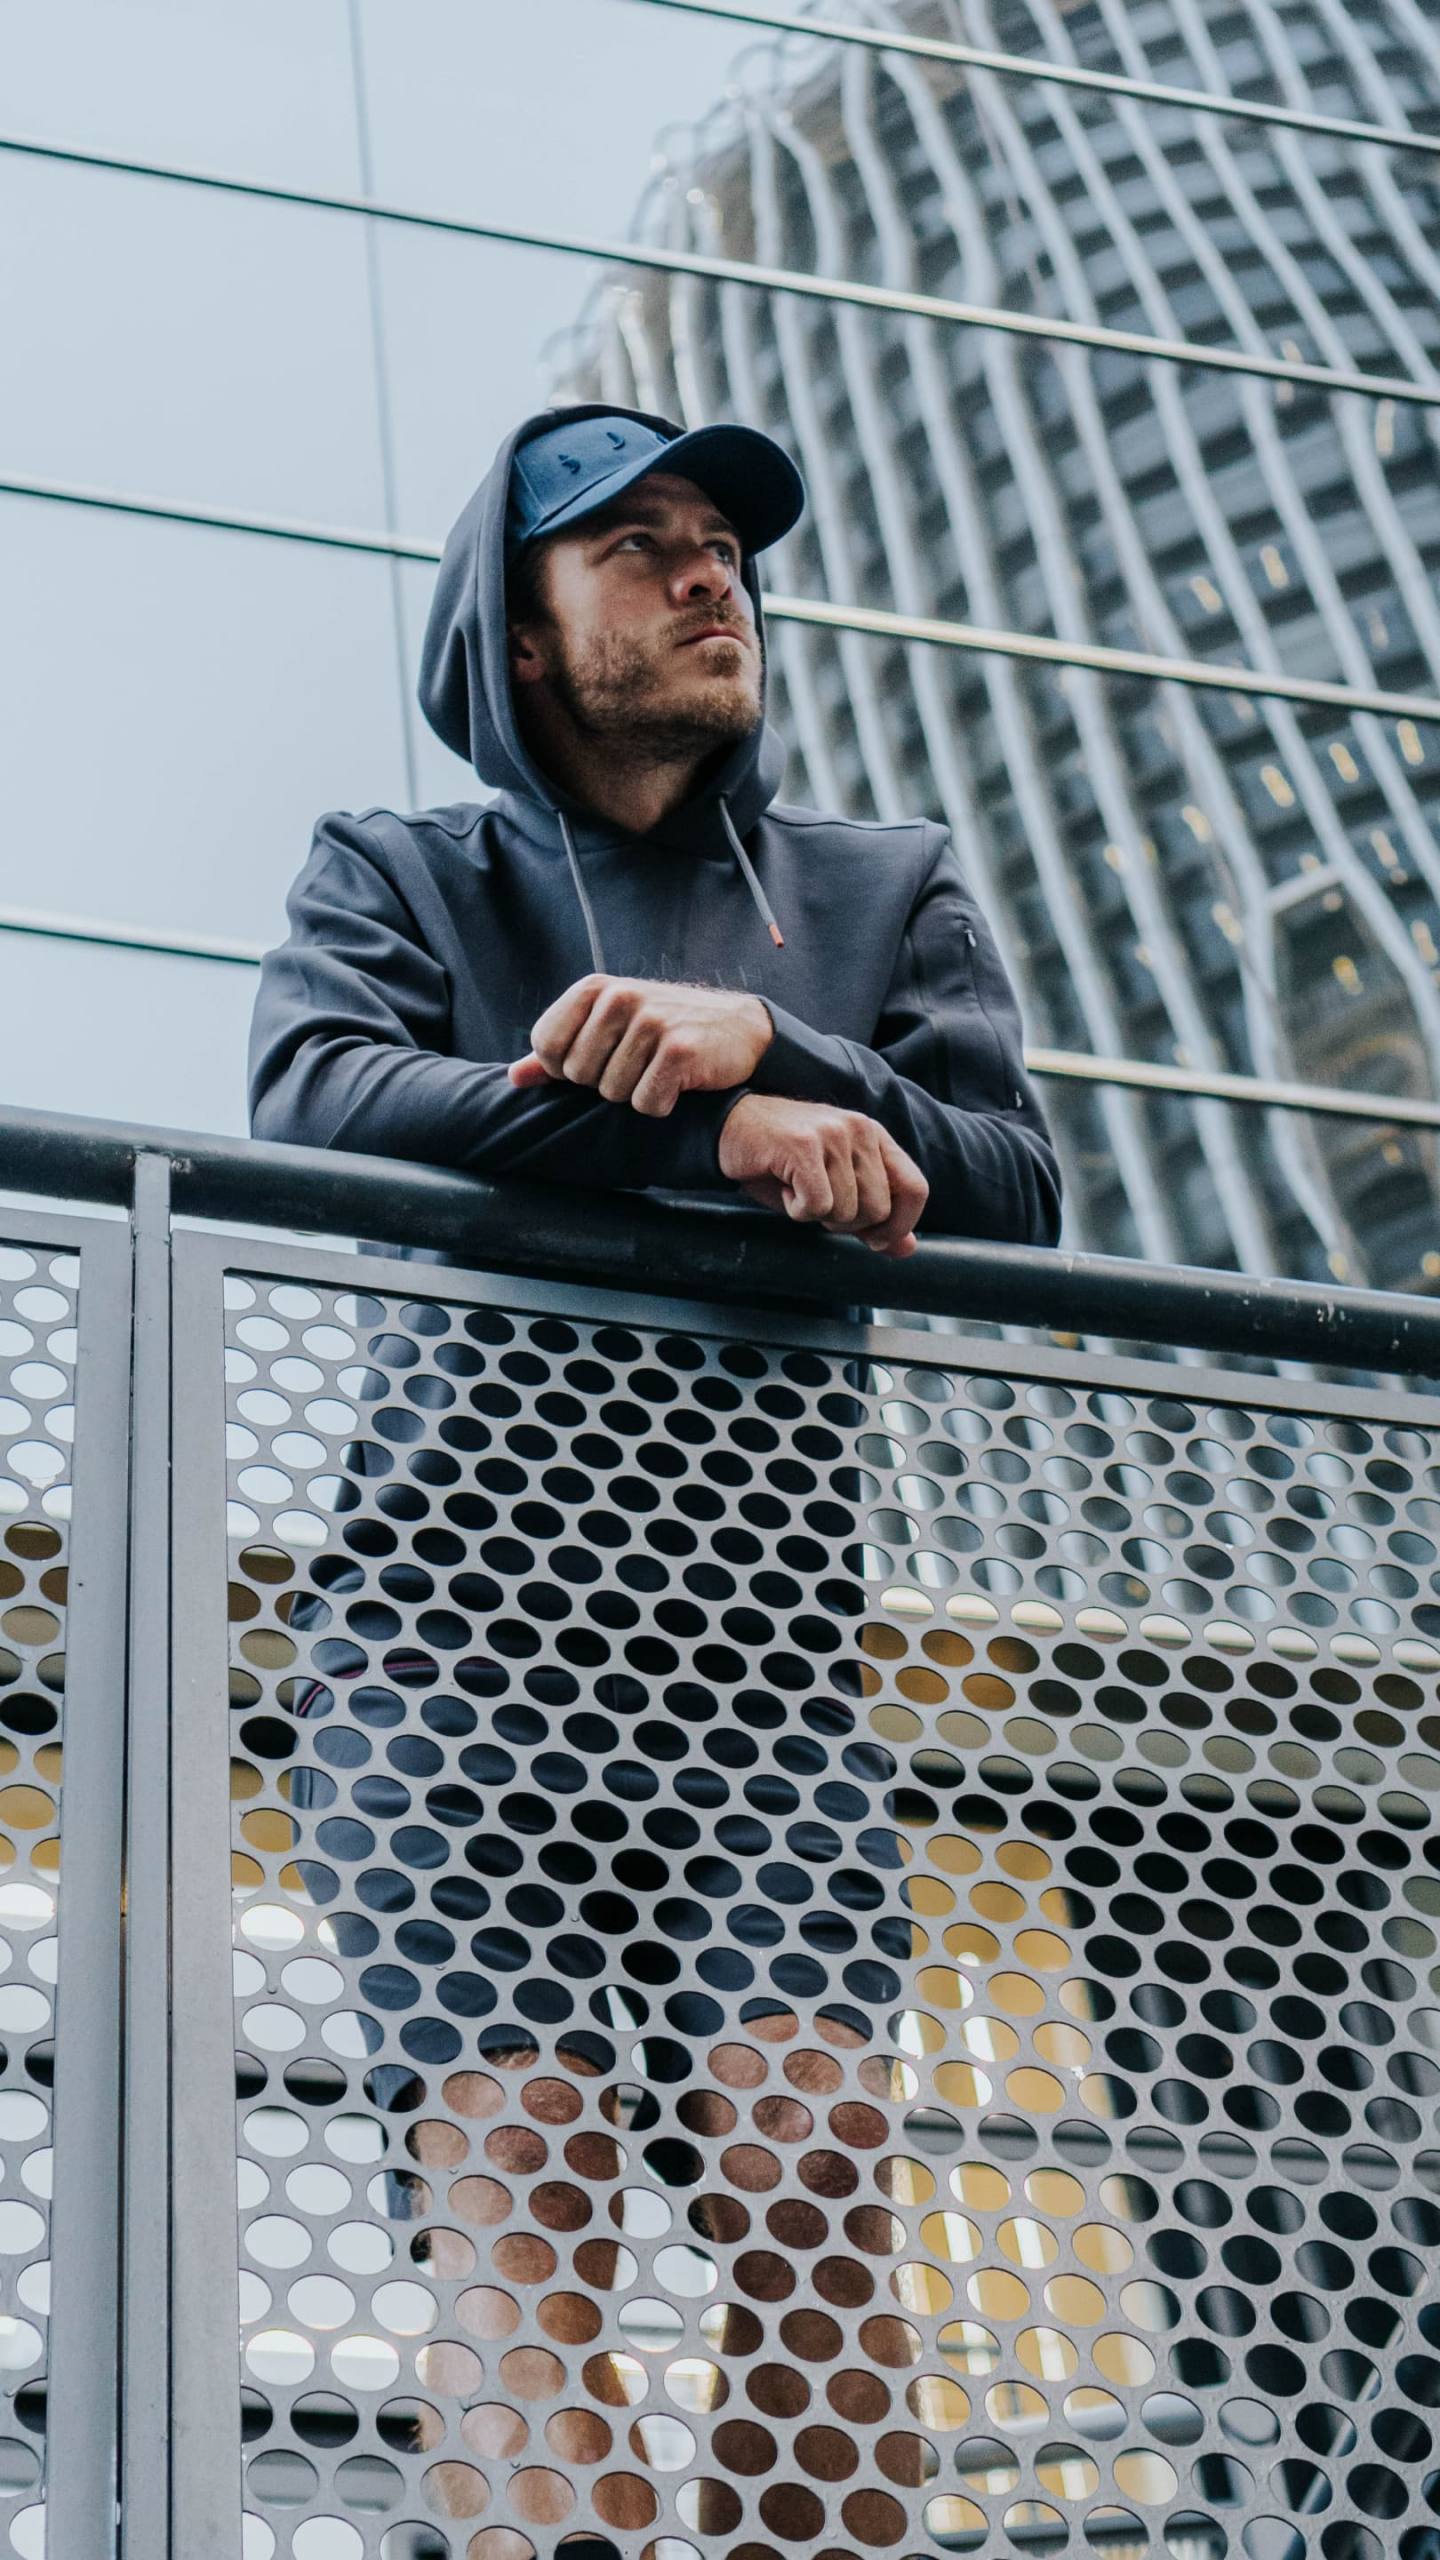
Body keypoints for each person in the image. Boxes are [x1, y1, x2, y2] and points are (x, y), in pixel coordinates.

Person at [248, 402, 1061, 1268]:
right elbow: (311, 1103)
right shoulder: (397, 870)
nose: (710, 579)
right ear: (521, 641)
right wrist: (720, 1128)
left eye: (723, 549)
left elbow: (1017, 1192)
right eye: (637, 544)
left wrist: (770, 1041)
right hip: (482, 1367)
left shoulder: (889, 876)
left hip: (787, 1370)